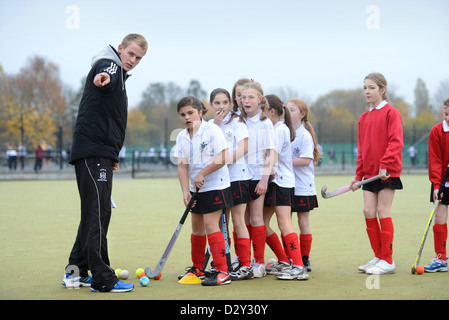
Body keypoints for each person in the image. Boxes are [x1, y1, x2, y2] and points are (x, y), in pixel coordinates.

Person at [63, 34, 147, 292]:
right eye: (130, 54)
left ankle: (75, 273)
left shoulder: (121, 73)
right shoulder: (109, 65)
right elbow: (104, 74)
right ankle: (103, 279)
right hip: (92, 150)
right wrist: (106, 79)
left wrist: (111, 155)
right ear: (120, 48)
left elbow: (110, 118)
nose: (133, 60)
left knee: (95, 212)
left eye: (139, 58)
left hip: (101, 153)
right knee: (98, 214)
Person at [174, 96, 233, 286]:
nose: (187, 117)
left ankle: (223, 272)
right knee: (197, 228)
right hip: (195, 189)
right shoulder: (182, 136)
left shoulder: (212, 130)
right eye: (183, 114)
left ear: (200, 112)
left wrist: (202, 173)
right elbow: (182, 166)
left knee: (210, 225)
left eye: (190, 113)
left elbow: (223, 157)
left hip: (216, 185)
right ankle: (198, 268)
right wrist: (185, 191)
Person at [350, 72, 403, 275]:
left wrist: (385, 165)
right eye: (365, 88)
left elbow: (396, 141)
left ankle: (388, 260)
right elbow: (362, 149)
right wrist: (358, 176)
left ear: (382, 90)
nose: (367, 91)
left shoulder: (391, 112)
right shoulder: (364, 117)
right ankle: (379, 255)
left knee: (383, 211)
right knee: (368, 211)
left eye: (371, 88)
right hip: (370, 174)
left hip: (387, 172)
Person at [262, 94, 309, 280]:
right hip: (277, 182)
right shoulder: (277, 128)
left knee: (284, 223)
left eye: (262, 109)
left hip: (281, 182)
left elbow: (273, 155)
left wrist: (266, 176)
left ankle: (298, 266)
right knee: (261, 224)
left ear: (271, 111)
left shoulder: (279, 129)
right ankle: (284, 261)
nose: (260, 113)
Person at [208, 88, 253, 280]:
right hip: (219, 180)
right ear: (211, 105)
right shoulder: (210, 125)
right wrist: (216, 124)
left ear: (230, 104)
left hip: (237, 177)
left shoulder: (237, 122)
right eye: (217, 103)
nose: (221, 106)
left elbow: (244, 147)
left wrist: (227, 162)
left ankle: (245, 265)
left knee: (237, 220)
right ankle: (222, 263)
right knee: (219, 222)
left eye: (225, 102)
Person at [240, 81, 275, 277]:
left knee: (255, 218)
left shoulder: (265, 123)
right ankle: (243, 260)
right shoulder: (238, 121)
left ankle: (259, 262)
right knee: (242, 219)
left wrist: (264, 179)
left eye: (251, 97)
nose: (246, 101)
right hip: (240, 176)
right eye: (243, 97)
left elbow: (271, 153)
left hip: (257, 176)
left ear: (260, 100)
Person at [287, 98, 321, 272]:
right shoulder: (285, 132)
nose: (289, 112)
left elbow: (306, 160)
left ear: (302, 114)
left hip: (302, 186)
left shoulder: (304, 135)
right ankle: (291, 257)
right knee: (285, 221)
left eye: (293, 110)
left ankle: (304, 259)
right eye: (287, 109)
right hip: (287, 185)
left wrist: (285, 161)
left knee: (302, 221)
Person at [425, 98, 449, 272]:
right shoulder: (437, 131)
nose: (448, 118)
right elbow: (435, 160)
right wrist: (436, 185)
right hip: (442, 181)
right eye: (446, 114)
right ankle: (440, 258)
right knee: (439, 216)